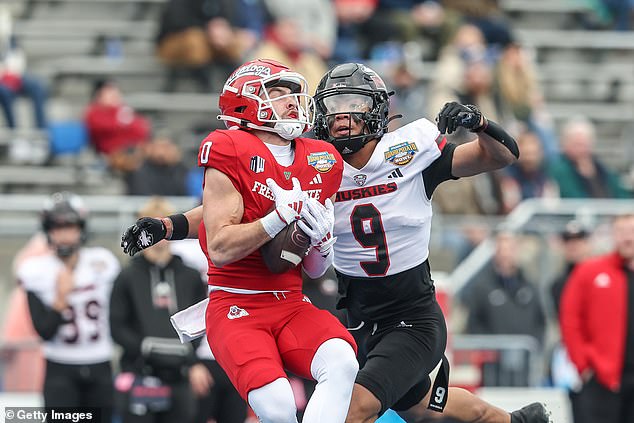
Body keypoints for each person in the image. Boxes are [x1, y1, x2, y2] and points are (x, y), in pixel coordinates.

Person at [121, 62, 549, 422]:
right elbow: (236, 212)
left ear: (378, 112)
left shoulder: (411, 153)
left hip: (410, 312)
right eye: (335, 108)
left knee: (351, 410)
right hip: (355, 310)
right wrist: (167, 226)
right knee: (423, 409)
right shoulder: (314, 160)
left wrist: (479, 123)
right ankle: (514, 421)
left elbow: (500, 156)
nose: (343, 118)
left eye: (355, 107)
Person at [122, 58, 359, 423]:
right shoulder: (230, 147)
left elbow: (313, 267)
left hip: (291, 301)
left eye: (294, 92)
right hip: (237, 306)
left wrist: (322, 242)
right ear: (247, 102)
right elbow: (219, 242)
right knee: (279, 405)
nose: (292, 101)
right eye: (278, 93)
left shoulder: (321, 159)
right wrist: (278, 217)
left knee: (342, 362)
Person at [16, 192, 120, 422]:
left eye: (69, 226)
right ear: (47, 230)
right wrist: (60, 299)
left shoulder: (102, 262)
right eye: (57, 227)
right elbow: (44, 331)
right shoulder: (35, 270)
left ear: (81, 228)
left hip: (100, 363)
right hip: (59, 366)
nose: (63, 234)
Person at [110, 197, 211, 423]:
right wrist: (145, 348)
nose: (157, 242)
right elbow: (116, 326)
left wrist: (191, 360)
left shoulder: (190, 275)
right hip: (141, 373)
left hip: (180, 375)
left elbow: (201, 322)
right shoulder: (127, 276)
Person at [560, 213, 634, 423]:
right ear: (613, 235)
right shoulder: (590, 271)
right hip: (602, 378)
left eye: (631, 232)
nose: (627, 238)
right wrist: (583, 364)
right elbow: (570, 319)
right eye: (621, 232)